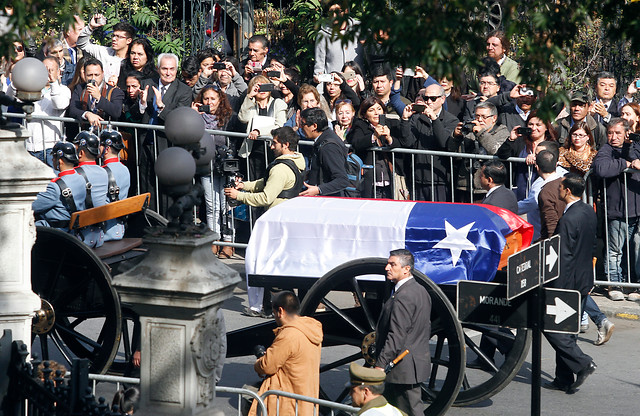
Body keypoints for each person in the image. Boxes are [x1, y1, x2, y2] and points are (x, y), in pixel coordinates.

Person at [226, 127, 305, 318]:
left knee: (267, 264)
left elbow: (265, 197)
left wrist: (240, 195)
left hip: (276, 222)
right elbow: (264, 182)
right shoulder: (296, 162)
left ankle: (270, 308)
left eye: (275, 142)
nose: (271, 146)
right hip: (284, 219)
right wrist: (244, 185)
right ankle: (279, 307)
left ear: (285, 145)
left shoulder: (280, 168)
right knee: (276, 265)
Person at [543, 173, 597, 393]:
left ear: (566, 190)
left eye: (560, 186)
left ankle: (583, 362)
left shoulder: (568, 219)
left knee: (552, 327)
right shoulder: (587, 211)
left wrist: (555, 288)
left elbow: (563, 257)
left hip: (568, 283)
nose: (558, 189)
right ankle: (563, 377)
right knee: (569, 330)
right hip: (583, 279)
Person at [374, 249, 430, 416]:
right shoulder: (421, 291)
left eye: (393, 264)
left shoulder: (403, 296)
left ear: (406, 269)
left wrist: (380, 364)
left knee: (410, 411)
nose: (387, 268)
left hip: (402, 367)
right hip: (412, 364)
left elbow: (396, 334)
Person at [248, 291, 322, 416]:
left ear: (280, 311)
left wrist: (259, 362)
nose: (275, 316)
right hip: (306, 400)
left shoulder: (289, 335)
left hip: (287, 403)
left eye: (274, 312)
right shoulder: (311, 329)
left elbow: (267, 366)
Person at [592, 118, 640, 301]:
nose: (613, 137)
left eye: (618, 133)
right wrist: (626, 165)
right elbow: (601, 169)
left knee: (636, 250)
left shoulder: (634, 147)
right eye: (610, 133)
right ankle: (615, 283)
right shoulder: (606, 150)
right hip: (617, 210)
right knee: (614, 250)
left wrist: (634, 154)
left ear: (627, 133)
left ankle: (635, 284)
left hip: (637, 211)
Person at [191, 84, 235, 258]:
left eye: (213, 99)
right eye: (206, 99)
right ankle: (214, 240)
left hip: (225, 165)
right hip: (206, 165)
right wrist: (192, 114)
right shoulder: (197, 117)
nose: (209, 102)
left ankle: (228, 242)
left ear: (220, 100)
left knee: (227, 205)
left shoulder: (229, 117)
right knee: (211, 205)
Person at [6, 56, 70, 167]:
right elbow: (10, 98)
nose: (47, 73)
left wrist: (53, 82)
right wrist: (17, 80)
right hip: (29, 146)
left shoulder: (63, 89)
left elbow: (59, 104)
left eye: (51, 70)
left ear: (59, 72)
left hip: (51, 148)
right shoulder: (29, 88)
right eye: (44, 70)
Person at [399, 84, 459, 201]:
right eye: (426, 98)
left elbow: (444, 142)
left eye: (433, 98)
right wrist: (405, 120)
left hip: (440, 179)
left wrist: (434, 120)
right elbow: (407, 143)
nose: (429, 101)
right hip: (418, 177)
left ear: (442, 99)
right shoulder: (417, 118)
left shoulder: (451, 120)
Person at [496, 112, 558, 201]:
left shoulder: (552, 144)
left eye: (538, 125)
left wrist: (538, 158)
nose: (533, 128)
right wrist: (511, 139)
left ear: (546, 127)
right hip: (519, 190)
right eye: (530, 124)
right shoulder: (520, 141)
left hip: (541, 191)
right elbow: (502, 155)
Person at [347, 96, 400, 198]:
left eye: (379, 109)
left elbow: (403, 143)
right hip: (370, 179)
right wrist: (374, 136)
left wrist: (389, 138)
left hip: (390, 177)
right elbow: (356, 142)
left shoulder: (393, 124)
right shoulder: (360, 125)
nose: (376, 113)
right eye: (371, 110)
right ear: (365, 114)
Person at [32, 142, 86, 230]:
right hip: (76, 229)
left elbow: (32, 205)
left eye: (53, 157)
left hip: (59, 232)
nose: (52, 160)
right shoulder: (81, 177)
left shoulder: (54, 187)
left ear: (60, 161)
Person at [299, 107, 350, 196]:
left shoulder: (329, 147)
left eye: (303, 124)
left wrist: (319, 190)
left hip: (329, 201)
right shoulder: (323, 139)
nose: (301, 127)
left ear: (314, 126)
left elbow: (342, 180)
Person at [70, 130, 109, 248]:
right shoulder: (104, 171)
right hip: (99, 235)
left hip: (81, 237)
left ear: (80, 153)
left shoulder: (75, 174)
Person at [76, 15, 135, 84]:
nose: (114, 39)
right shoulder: (104, 52)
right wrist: (90, 27)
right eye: (113, 35)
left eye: (119, 37)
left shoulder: (133, 60)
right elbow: (82, 44)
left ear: (129, 40)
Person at [313, 2, 363, 84]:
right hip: (335, 87)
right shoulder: (323, 35)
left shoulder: (359, 29)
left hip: (357, 86)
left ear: (346, 11)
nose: (334, 16)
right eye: (331, 12)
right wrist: (320, 94)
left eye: (338, 12)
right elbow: (319, 68)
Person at [68, 58, 124, 128]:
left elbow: (117, 112)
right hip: (86, 133)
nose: (93, 78)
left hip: (106, 134)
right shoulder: (79, 88)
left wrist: (99, 98)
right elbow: (72, 110)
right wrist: (87, 114)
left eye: (97, 75)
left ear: (103, 74)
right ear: (84, 74)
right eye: (89, 75)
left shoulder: (115, 91)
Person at [100, 129, 131, 241]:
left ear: (107, 148)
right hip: (119, 229)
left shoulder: (101, 172)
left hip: (103, 233)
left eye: (100, 145)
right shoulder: (125, 169)